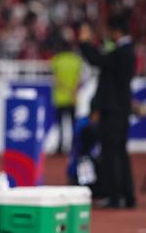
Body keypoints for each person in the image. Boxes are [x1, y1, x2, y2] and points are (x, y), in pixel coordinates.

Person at [79, 12, 136, 208]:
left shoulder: (122, 52)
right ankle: (127, 196)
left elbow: (97, 60)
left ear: (116, 31)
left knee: (112, 155)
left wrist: (85, 42)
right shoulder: (126, 51)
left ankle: (115, 197)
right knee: (120, 153)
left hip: (113, 112)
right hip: (121, 111)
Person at [50, 29, 83, 154]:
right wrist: (72, 91)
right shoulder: (76, 60)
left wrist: (64, 88)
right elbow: (78, 79)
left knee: (60, 125)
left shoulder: (56, 60)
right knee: (73, 123)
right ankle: (74, 146)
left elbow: (56, 79)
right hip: (72, 97)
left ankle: (60, 146)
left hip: (60, 98)